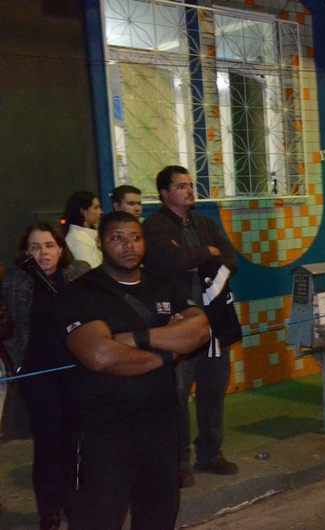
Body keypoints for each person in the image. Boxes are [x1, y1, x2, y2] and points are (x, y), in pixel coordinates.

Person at [54, 211, 210, 529]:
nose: (128, 246)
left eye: (135, 238)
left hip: (161, 428)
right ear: (100, 243)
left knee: (159, 517)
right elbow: (100, 355)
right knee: (98, 520)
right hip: (105, 433)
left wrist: (136, 339)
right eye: (117, 238)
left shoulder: (164, 285)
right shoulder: (82, 293)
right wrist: (168, 351)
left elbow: (200, 331)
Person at [142, 165, 241, 488]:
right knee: (177, 395)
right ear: (164, 193)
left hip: (214, 322)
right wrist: (206, 254)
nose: (189, 190)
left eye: (190, 185)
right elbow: (171, 260)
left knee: (214, 389)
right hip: (177, 325)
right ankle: (178, 461)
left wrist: (199, 258)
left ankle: (210, 453)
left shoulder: (205, 223)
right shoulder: (154, 226)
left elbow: (231, 259)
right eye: (181, 186)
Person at [3, 222, 89, 530]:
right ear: (25, 252)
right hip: (38, 370)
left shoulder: (78, 273)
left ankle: (75, 502)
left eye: (49, 245)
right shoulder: (16, 280)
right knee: (48, 438)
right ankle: (49, 510)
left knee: (76, 439)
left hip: (76, 368)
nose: (43, 253)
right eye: (35, 247)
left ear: (61, 248)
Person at [63, 191, 103, 268]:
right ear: (83, 211)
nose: (100, 212)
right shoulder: (77, 239)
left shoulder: (87, 236)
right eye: (96, 208)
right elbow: (88, 270)